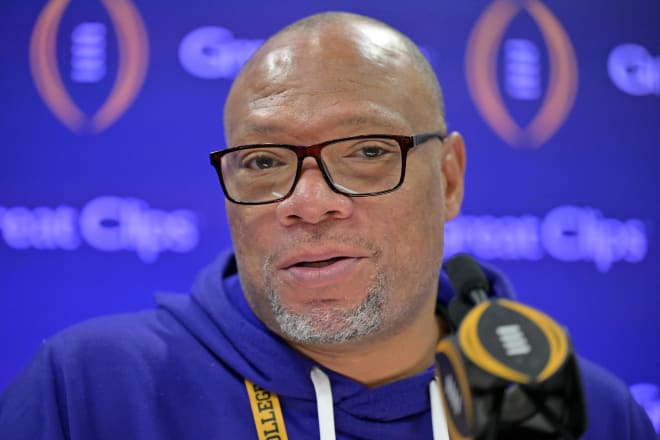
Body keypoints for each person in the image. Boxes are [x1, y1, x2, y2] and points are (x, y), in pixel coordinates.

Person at [0, 11, 655, 440]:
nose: (309, 202)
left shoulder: (590, 415)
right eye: (262, 160)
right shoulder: (88, 390)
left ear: (450, 179)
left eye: (367, 152)